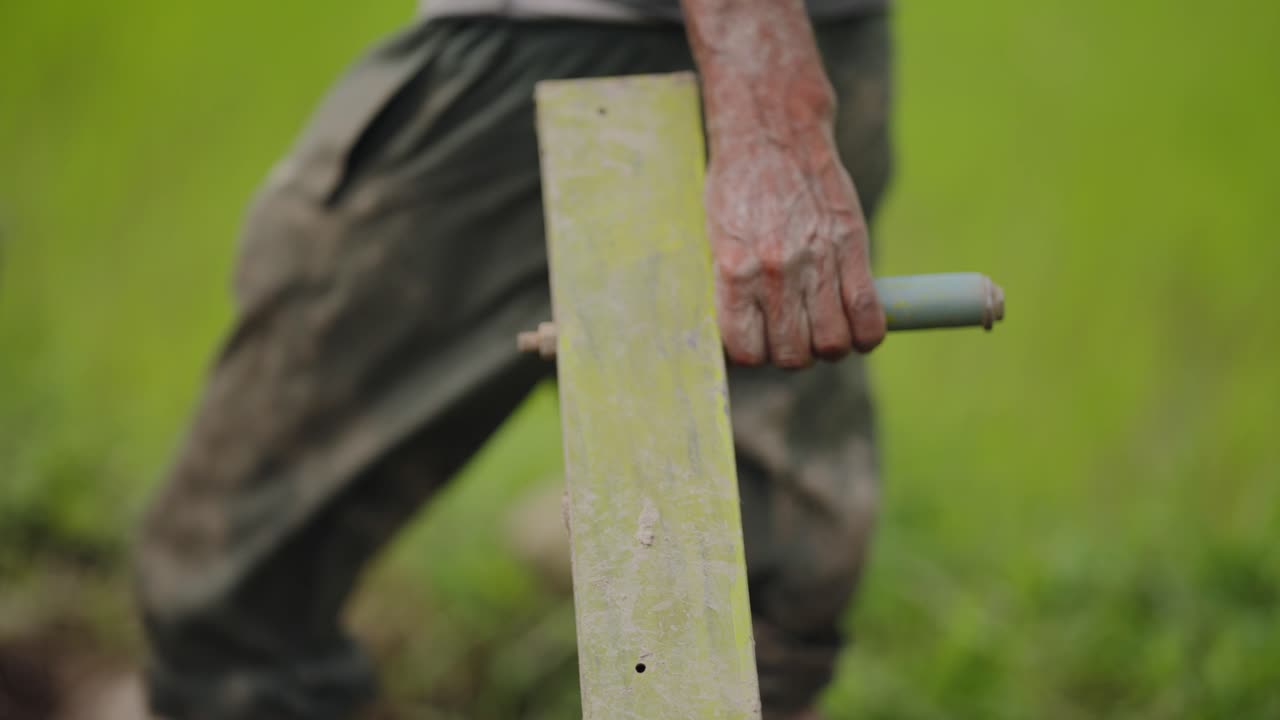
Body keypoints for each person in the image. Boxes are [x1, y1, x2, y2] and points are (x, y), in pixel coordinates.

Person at [133, 1, 895, 718]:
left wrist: (770, 127)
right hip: (822, 43)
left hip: (583, 43)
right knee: (745, 606)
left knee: (229, 593)